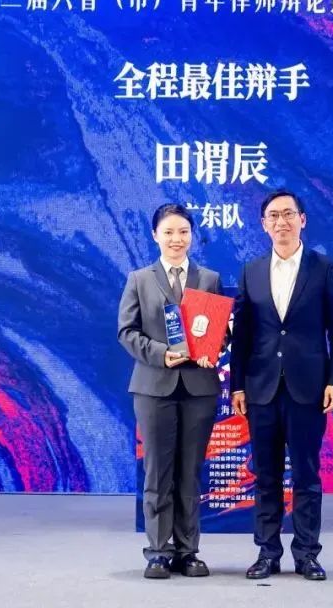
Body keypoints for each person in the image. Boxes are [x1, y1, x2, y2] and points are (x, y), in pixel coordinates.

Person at [230, 189, 333, 581]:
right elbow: (242, 336)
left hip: (308, 388)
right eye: (273, 216)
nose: (281, 222)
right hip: (261, 388)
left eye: (288, 214)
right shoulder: (251, 271)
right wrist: (237, 386)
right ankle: (267, 553)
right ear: (263, 225)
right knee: (265, 475)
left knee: (306, 475)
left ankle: (307, 554)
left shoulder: (324, 268)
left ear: (302, 219)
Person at [118, 203, 224, 579]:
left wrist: (215, 346)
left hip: (199, 386)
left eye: (183, 232)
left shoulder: (209, 278)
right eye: (169, 232)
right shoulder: (139, 279)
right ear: (155, 236)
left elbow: (219, 330)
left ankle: (188, 551)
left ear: (192, 235)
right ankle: (159, 551)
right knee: (158, 471)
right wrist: (161, 354)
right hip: (153, 386)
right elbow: (126, 332)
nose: (176, 239)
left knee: (190, 471)